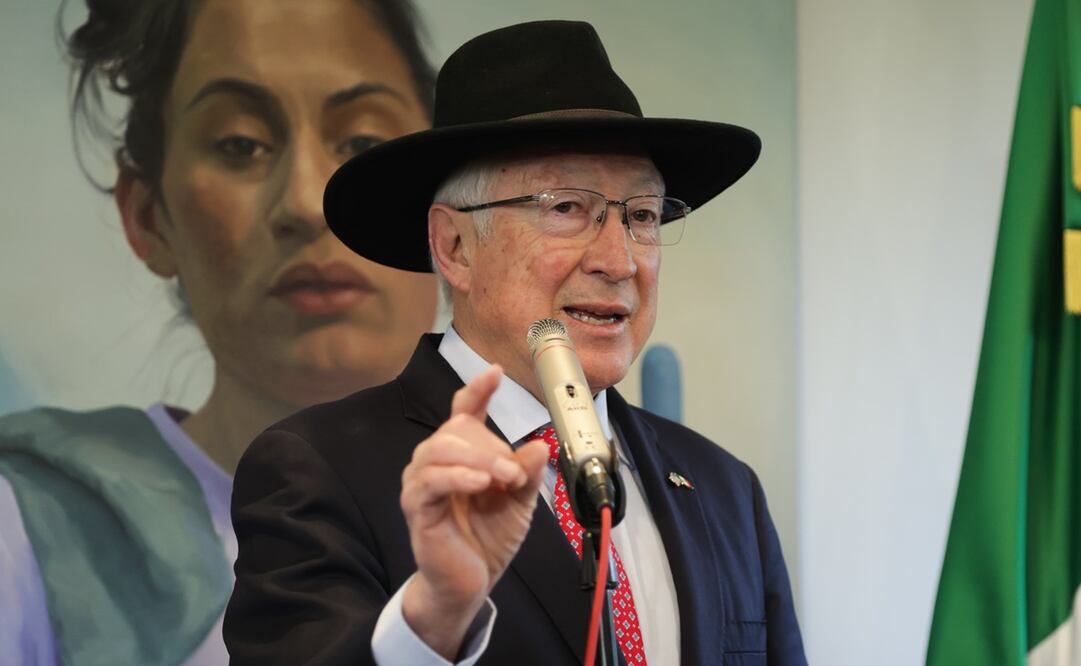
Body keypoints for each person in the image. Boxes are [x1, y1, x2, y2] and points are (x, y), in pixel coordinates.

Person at [225, 20, 807, 666]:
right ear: (453, 247)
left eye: (640, 216)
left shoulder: (726, 493)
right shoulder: (319, 473)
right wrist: (437, 614)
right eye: (565, 209)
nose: (618, 261)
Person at [0, 1, 438, 664]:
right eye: (241, 145)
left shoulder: (591, 516)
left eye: (363, 145)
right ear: (148, 217)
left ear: (455, 205)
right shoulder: (31, 534)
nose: (308, 202)